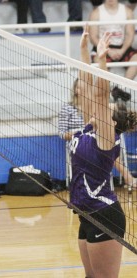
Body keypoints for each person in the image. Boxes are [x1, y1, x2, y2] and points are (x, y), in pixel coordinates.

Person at [69, 24, 137, 277]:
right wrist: (84, 50)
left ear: (112, 122)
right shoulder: (89, 127)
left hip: (103, 214)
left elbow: (99, 93)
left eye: (106, 108)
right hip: (86, 213)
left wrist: (102, 59)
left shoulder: (107, 138)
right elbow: (86, 86)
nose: (99, 108)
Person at [58, 80, 137, 191]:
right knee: (104, 147)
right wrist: (81, 132)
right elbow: (62, 133)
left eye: (85, 87)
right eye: (79, 87)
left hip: (98, 136)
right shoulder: (67, 108)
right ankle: (128, 178)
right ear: (75, 90)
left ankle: (126, 178)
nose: (82, 90)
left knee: (105, 145)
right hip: (78, 140)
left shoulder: (96, 109)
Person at [89, 0, 137, 80]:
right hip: (103, 47)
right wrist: (108, 51)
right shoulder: (95, 13)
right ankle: (109, 89)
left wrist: (122, 50)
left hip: (122, 47)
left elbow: (130, 35)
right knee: (99, 60)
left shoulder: (127, 11)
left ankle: (122, 89)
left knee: (136, 59)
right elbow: (93, 37)